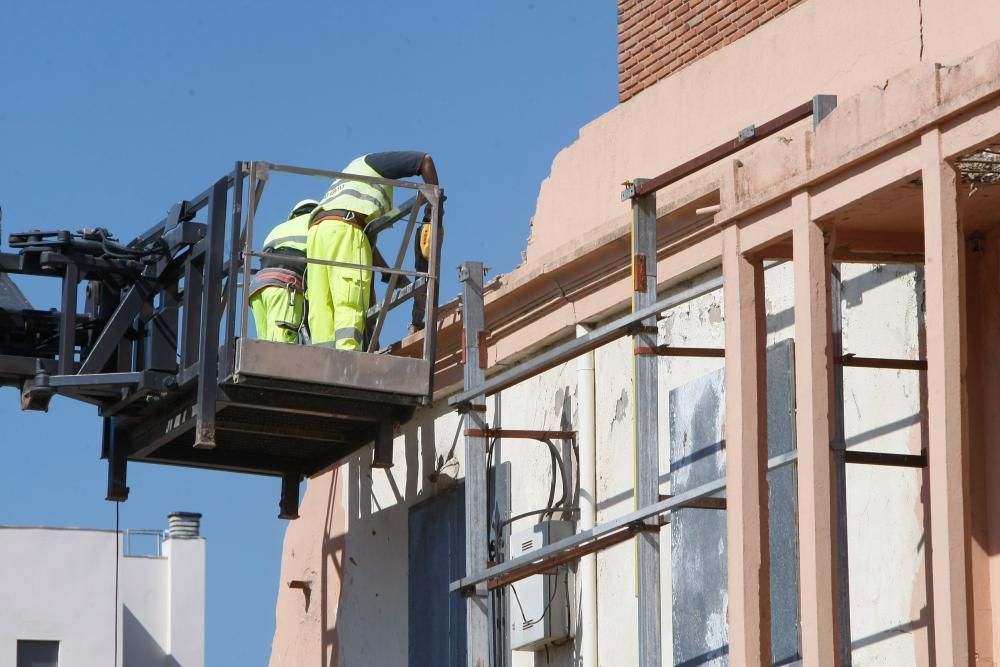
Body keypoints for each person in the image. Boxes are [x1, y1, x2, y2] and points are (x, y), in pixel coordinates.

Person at [307, 152, 438, 350]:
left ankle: (321, 360)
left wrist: (388, 273)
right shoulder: (375, 164)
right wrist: (436, 204)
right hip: (345, 227)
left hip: (318, 233)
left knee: (321, 304)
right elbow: (424, 161)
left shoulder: (349, 181)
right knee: (349, 295)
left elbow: (366, 246)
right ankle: (347, 354)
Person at [248, 199, 318, 343]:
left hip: (258, 288)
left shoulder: (278, 229)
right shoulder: (315, 226)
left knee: (265, 346)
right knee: (283, 345)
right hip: (285, 287)